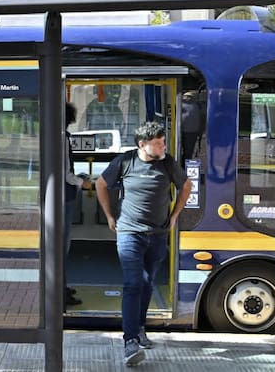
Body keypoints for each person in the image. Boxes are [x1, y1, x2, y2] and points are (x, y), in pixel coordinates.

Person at [95, 121, 192, 366]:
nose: (163, 146)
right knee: (132, 284)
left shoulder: (168, 163)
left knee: (148, 283)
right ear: (143, 145)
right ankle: (130, 342)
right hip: (129, 233)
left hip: (157, 234)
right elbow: (101, 184)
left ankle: (139, 327)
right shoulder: (125, 162)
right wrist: (109, 216)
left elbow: (186, 186)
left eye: (163, 142)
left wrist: (174, 216)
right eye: (158, 143)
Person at [64, 103, 92, 306]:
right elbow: (65, 173)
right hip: (64, 197)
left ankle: (62, 286)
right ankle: (61, 291)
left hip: (63, 196)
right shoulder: (62, 138)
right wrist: (83, 183)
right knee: (62, 245)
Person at [180, 91, 203, 162]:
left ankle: (183, 167)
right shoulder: (197, 106)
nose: (187, 98)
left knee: (187, 152)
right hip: (190, 131)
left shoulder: (181, 105)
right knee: (188, 152)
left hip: (190, 132)